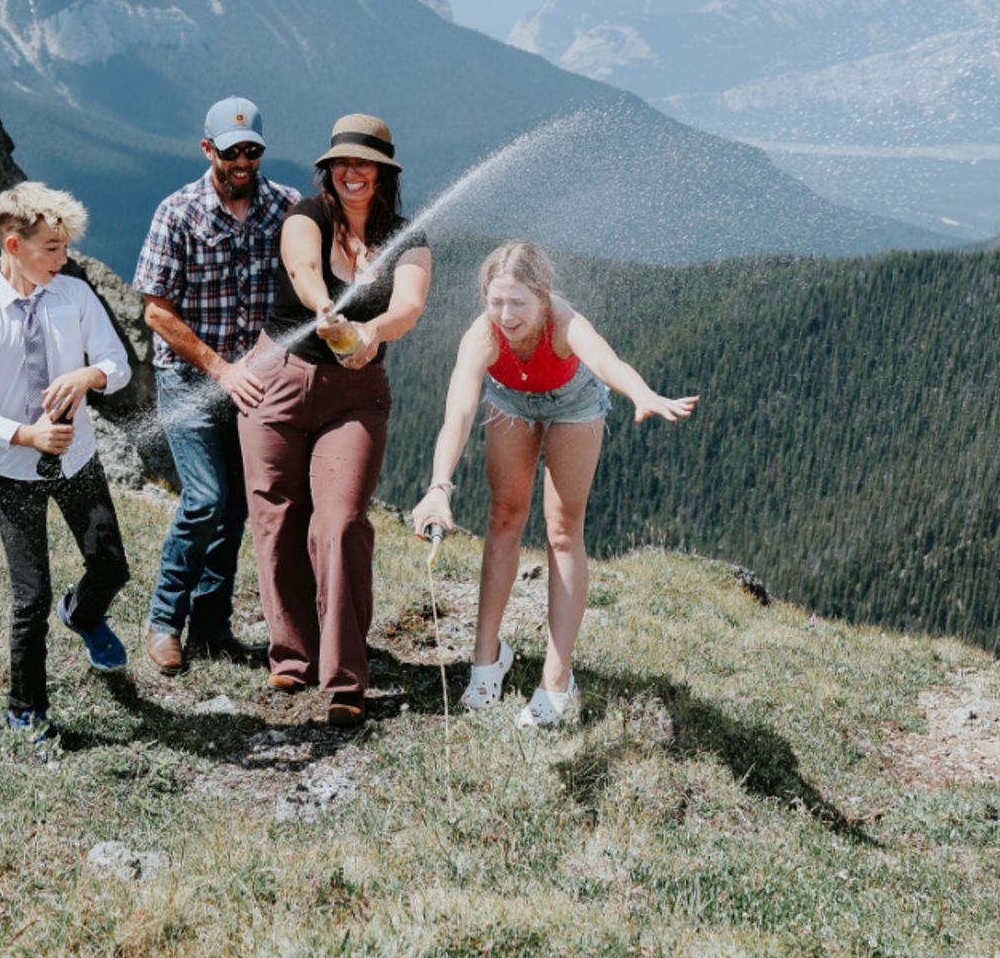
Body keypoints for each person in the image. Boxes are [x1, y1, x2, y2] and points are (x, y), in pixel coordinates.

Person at [409, 241, 698, 727]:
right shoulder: (482, 335)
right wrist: (440, 485)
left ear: (542, 297)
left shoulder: (564, 323)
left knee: (562, 531)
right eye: (495, 301)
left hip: (574, 403)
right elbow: (457, 411)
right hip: (510, 401)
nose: (505, 314)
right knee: (503, 516)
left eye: (518, 302)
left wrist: (641, 392)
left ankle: (557, 678)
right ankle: (487, 662)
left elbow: (605, 362)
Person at [238, 114, 432, 725]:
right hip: (278, 378)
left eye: (366, 164)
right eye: (343, 163)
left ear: (384, 174)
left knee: (341, 522)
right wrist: (324, 307)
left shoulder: (408, 236)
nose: (353, 173)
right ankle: (292, 657)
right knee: (277, 515)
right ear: (329, 169)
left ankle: (346, 675)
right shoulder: (307, 215)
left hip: (355, 393)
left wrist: (368, 331)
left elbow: (408, 306)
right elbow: (302, 269)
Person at [0, 182, 134, 742]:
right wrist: (23, 434)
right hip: (13, 474)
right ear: (13, 245)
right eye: (51, 247)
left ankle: (83, 614)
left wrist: (89, 375)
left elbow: (116, 362)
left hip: (78, 461)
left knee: (113, 566)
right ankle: (26, 713)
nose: (63, 257)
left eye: (65, 246)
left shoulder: (73, 297)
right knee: (31, 597)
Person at [132, 97, 299, 675]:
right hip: (188, 380)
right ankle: (162, 623)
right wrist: (221, 369)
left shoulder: (287, 209)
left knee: (233, 511)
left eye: (253, 150)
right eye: (232, 153)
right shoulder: (177, 213)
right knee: (204, 499)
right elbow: (156, 312)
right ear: (208, 150)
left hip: (254, 385)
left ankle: (209, 629)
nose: (244, 162)